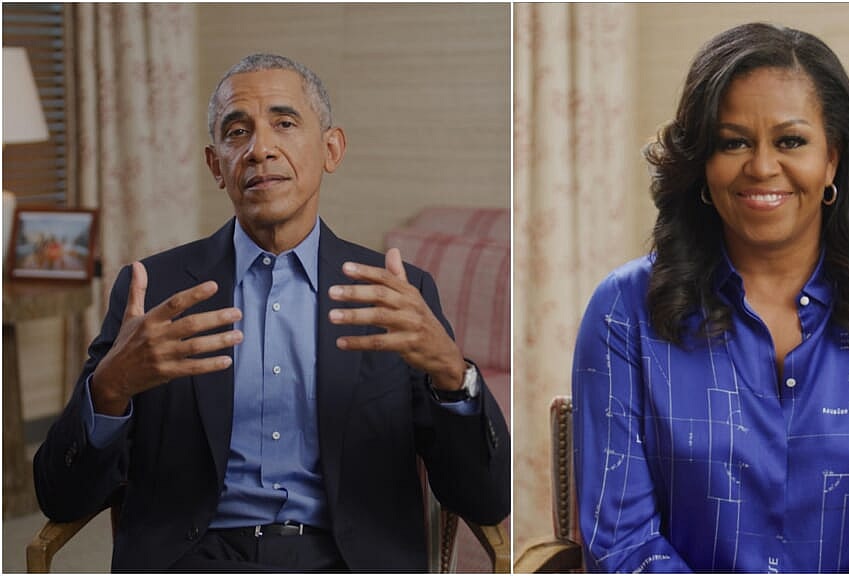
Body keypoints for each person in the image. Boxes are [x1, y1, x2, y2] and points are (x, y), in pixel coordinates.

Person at [34, 53, 510, 572]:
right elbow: (61, 497)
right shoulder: (152, 293)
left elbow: (486, 498)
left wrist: (451, 373)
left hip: (347, 560)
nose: (260, 149)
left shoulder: (396, 293)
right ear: (217, 165)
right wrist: (109, 389)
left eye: (284, 124)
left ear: (331, 149)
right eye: (237, 132)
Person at [572, 23, 849, 573]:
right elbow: (622, 544)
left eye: (790, 141)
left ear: (832, 159)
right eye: (733, 142)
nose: (761, 166)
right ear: (703, 169)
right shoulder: (624, 311)